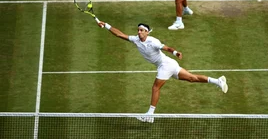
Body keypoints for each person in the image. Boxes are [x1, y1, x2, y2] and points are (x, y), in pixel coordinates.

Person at [98, 21, 228, 123]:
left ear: (147, 32)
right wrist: (106, 25)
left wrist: (175, 52)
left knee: (155, 87)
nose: (139, 32)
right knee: (191, 78)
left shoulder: (153, 41)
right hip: (169, 64)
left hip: (165, 65)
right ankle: (218, 81)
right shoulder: (135, 39)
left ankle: (150, 115)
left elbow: (166, 48)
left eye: (142, 30)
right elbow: (120, 34)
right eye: (138, 30)